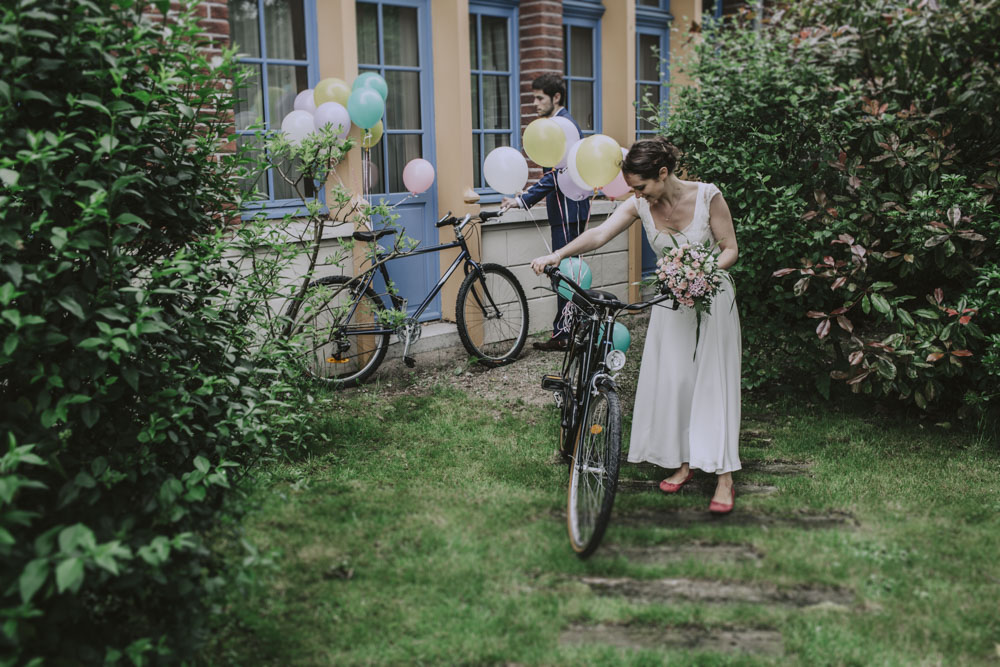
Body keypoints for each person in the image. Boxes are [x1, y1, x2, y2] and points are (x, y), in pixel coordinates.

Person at [529, 136, 742, 514]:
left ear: (663, 173)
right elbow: (599, 234)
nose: (637, 195)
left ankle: (724, 475)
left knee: (713, 379)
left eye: (641, 186)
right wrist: (557, 253)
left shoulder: (709, 196)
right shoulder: (640, 204)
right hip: (671, 301)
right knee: (675, 379)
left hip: (711, 298)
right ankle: (684, 461)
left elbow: (730, 249)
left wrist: (699, 273)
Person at [502, 73, 591, 351]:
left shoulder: (562, 126)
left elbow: (555, 175)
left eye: (540, 97)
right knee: (568, 272)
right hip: (569, 209)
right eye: (533, 97)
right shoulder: (561, 124)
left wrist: (522, 200)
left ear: (556, 97)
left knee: (565, 272)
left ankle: (567, 334)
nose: (534, 103)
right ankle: (568, 332)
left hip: (568, 210)